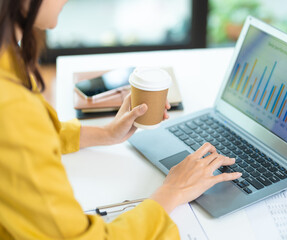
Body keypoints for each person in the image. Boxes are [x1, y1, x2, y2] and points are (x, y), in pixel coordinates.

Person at [0, 0, 241, 239]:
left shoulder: (8, 53)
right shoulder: (13, 106)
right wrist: (174, 191)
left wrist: (105, 134)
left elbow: (29, 135)